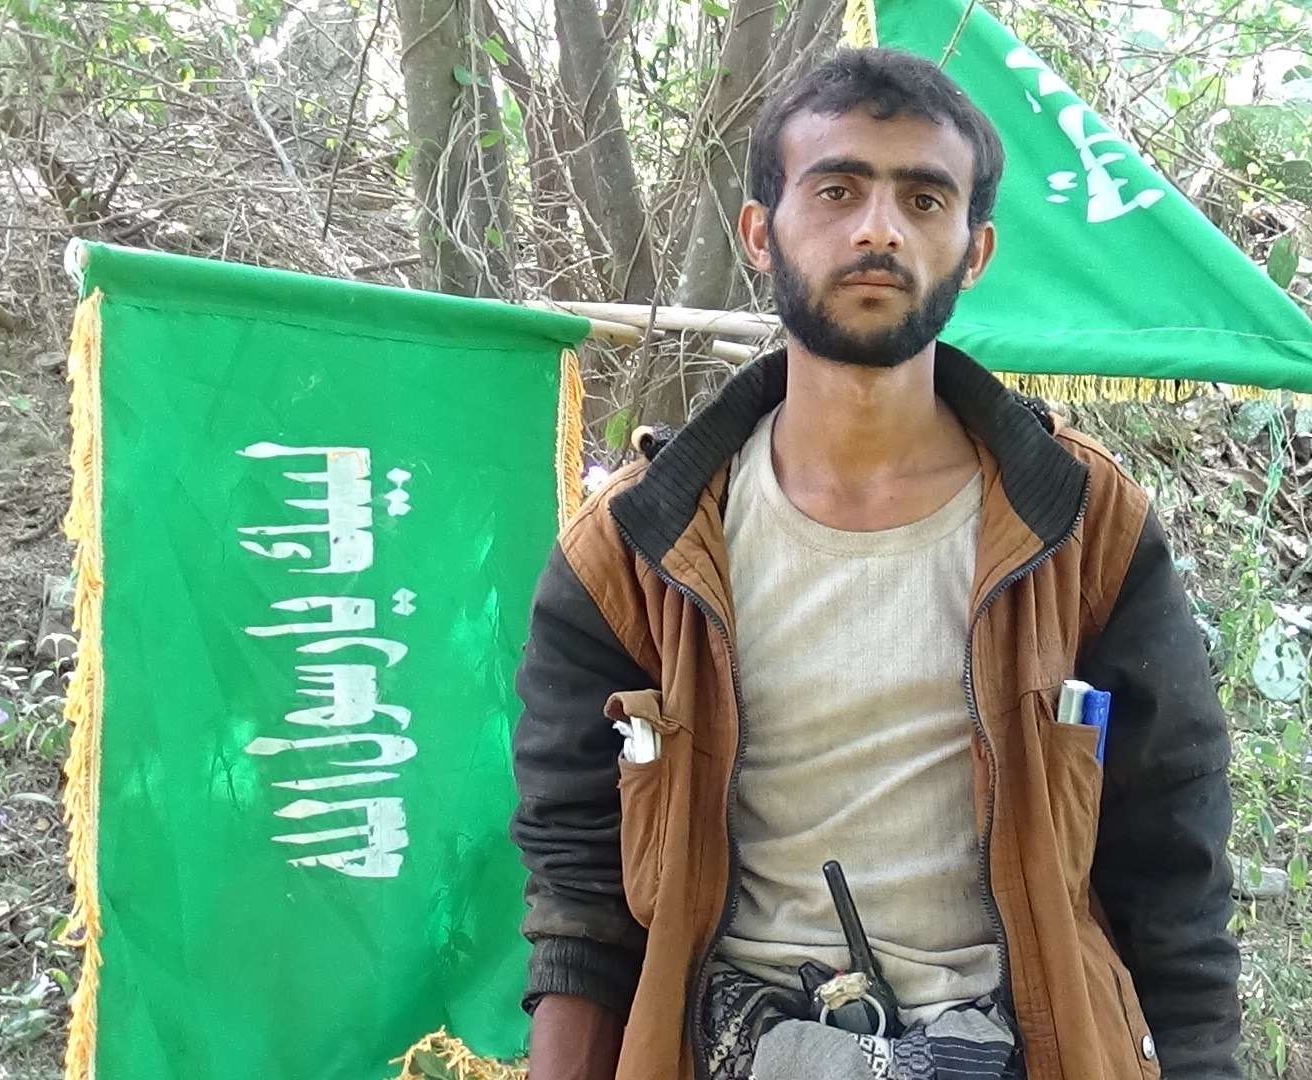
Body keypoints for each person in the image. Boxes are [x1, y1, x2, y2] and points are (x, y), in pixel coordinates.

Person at [510, 47, 1239, 1080]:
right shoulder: (636, 548)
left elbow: (1172, 860)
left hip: (1021, 1048)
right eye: (838, 190)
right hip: (738, 1047)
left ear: (975, 250)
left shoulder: (1082, 526)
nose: (879, 230)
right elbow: (578, 889)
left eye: (924, 199)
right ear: (760, 231)